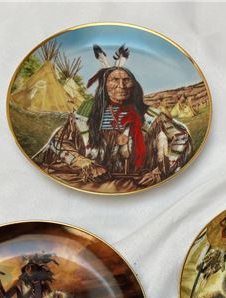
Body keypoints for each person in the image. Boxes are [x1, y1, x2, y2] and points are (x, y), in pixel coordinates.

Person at [32, 44, 193, 192]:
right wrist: (85, 164)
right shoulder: (84, 115)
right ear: (104, 86)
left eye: (126, 80)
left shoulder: (151, 116)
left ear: (134, 85)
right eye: (114, 80)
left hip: (139, 185)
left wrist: (160, 172)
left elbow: (181, 137)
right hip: (89, 182)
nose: (121, 86)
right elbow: (58, 142)